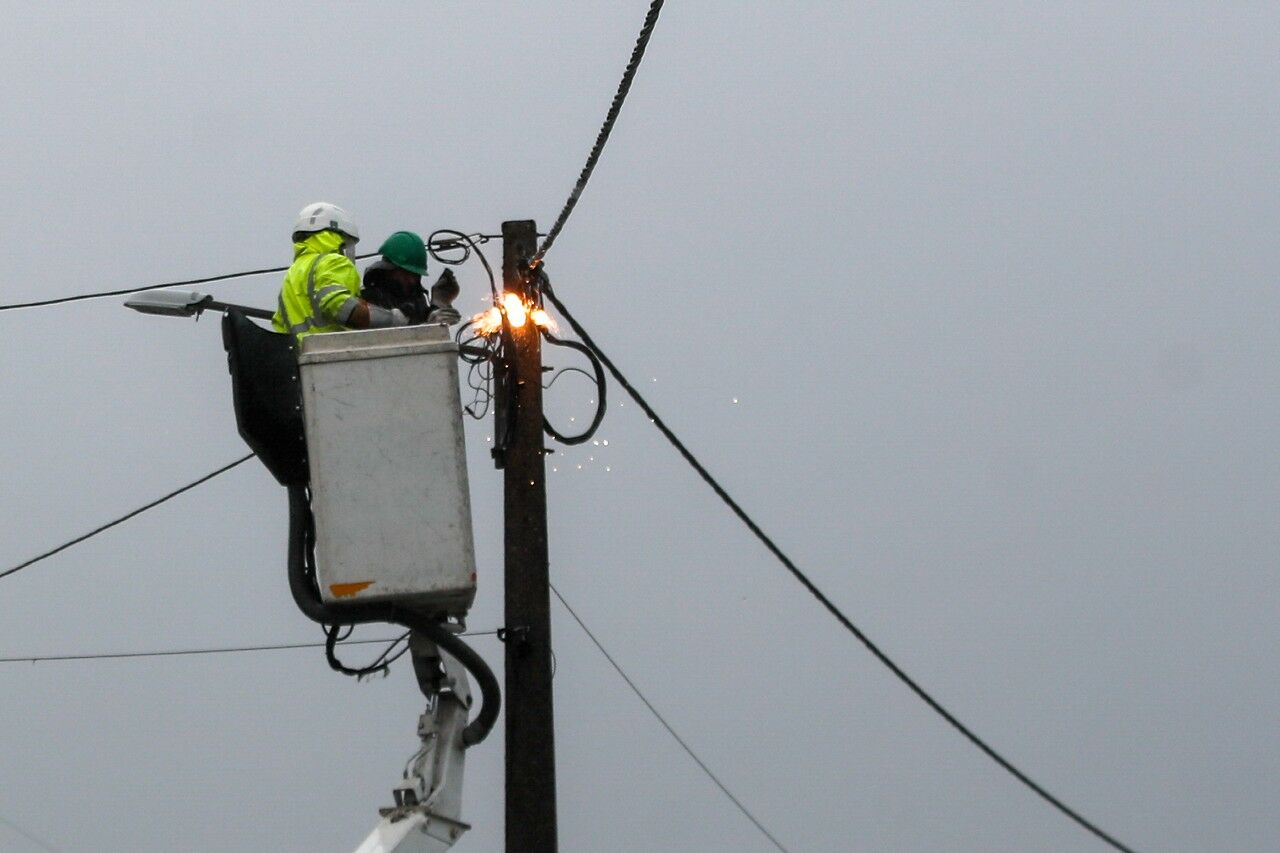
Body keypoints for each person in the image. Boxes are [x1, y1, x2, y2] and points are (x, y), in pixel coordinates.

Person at [273, 203, 419, 341]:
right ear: (336, 235)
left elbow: (279, 326)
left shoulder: (292, 275)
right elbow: (338, 305)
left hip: (302, 361)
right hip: (335, 358)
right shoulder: (332, 262)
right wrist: (393, 319)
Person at [360, 231, 463, 326]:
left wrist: (438, 303)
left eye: (415, 275)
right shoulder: (369, 300)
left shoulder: (416, 299)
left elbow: (425, 327)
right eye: (406, 274)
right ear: (388, 269)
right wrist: (429, 328)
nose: (411, 280)